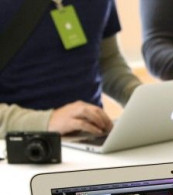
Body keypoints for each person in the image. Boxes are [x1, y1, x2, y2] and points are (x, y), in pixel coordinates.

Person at [0, 0, 141, 138]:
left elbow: (107, 61)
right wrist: (47, 121)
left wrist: (138, 95)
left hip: (90, 140)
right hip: (18, 146)